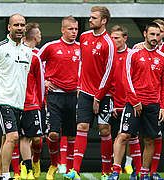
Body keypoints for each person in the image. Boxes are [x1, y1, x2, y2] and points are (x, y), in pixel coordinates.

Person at [63, 6, 116, 180]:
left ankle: (106, 171)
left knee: (104, 129)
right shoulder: (84, 37)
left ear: (104, 21)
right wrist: (80, 85)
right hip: (85, 92)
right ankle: (74, 171)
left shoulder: (109, 42)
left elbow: (109, 73)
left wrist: (98, 97)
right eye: (90, 17)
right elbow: (82, 63)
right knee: (81, 127)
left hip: (104, 95)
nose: (90, 20)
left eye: (94, 18)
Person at [108, 22, 164, 180]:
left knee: (149, 139)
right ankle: (115, 171)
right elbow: (126, 79)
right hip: (133, 104)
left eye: (157, 35)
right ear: (145, 34)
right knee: (123, 135)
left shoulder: (162, 58)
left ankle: (144, 173)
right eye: (151, 34)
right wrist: (135, 101)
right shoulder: (133, 53)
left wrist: (163, 106)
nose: (154, 38)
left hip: (153, 105)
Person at [0, 14, 33, 180]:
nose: (20, 28)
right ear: (9, 27)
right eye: (16, 25)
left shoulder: (28, 51)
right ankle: (5, 175)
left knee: (6, 139)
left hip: (18, 102)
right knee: (13, 137)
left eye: (22, 25)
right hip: (1, 99)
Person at [38, 15, 80, 180]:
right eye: (70, 29)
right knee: (54, 134)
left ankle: (70, 170)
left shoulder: (80, 48)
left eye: (76, 29)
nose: (74, 32)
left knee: (71, 135)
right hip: (54, 96)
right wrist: (44, 82)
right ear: (62, 29)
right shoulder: (51, 46)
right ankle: (55, 163)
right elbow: (35, 63)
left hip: (73, 96)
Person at [108, 25, 142, 180]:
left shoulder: (132, 54)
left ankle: (137, 169)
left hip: (131, 103)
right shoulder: (109, 56)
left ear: (125, 38)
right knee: (117, 137)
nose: (114, 41)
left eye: (117, 38)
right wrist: (112, 103)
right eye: (112, 38)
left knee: (132, 137)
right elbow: (107, 81)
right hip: (115, 104)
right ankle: (115, 169)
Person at [17, 22, 44, 180]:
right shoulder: (17, 53)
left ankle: (35, 161)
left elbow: (40, 81)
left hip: (32, 103)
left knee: (36, 139)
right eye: (39, 33)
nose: (40, 36)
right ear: (35, 36)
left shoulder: (36, 56)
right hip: (18, 102)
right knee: (21, 138)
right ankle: (25, 170)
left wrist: (40, 103)